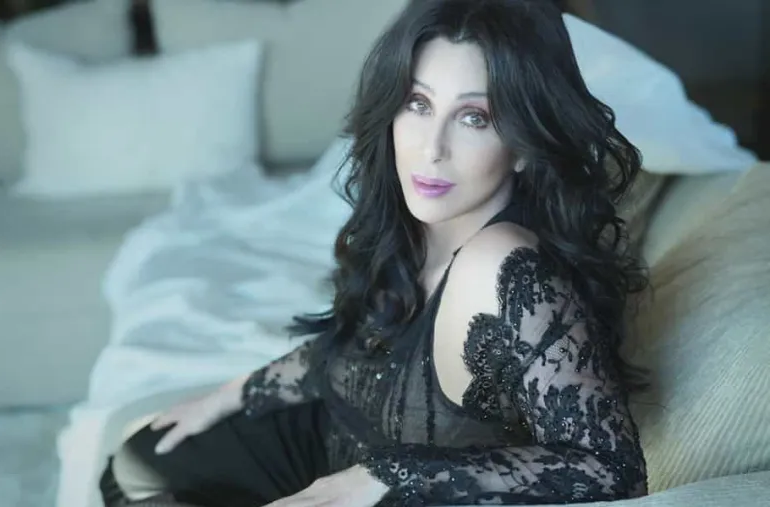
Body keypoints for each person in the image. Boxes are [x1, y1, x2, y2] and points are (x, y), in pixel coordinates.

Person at [100, 0, 650, 505]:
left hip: (376, 480)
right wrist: (233, 394)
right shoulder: (421, 224)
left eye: (473, 117)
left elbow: (611, 469)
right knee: (132, 466)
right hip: (331, 439)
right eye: (418, 103)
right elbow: (357, 351)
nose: (431, 148)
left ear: (524, 146)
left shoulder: (504, 265)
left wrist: (382, 476)